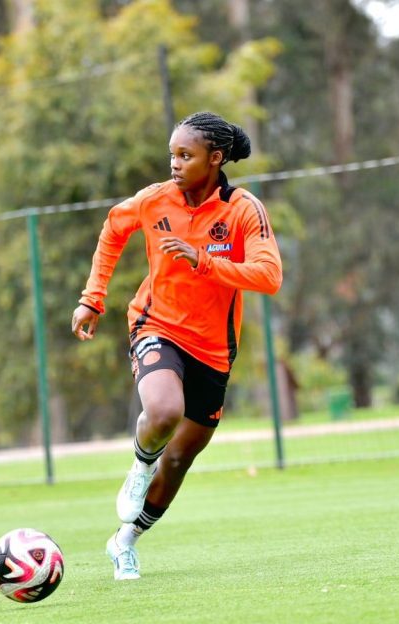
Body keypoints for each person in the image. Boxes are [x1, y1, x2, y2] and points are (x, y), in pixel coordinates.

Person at [71, 111, 283, 580]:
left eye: (185, 155)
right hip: (157, 325)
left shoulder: (243, 209)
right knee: (163, 412)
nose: (175, 163)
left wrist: (204, 262)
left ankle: (125, 540)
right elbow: (113, 228)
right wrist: (92, 297)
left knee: (182, 457)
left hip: (214, 350)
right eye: (172, 154)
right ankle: (140, 465)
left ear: (216, 158)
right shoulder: (154, 201)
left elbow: (269, 277)